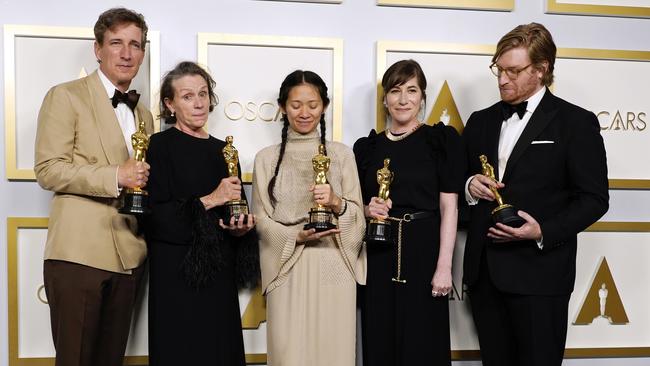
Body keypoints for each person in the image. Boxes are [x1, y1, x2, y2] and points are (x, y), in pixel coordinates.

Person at [462, 23, 609, 366]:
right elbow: (456, 184)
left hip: (541, 276)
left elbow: (594, 199)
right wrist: (470, 186)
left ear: (541, 70)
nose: (502, 80)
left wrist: (542, 230)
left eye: (513, 71)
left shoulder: (575, 123)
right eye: (499, 69)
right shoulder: (479, 121)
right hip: (485, 277)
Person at [34, 8, 152, 366]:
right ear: (97, 49)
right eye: (116, 43)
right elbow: (48, 169)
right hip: (77, 254)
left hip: (129, 256)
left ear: (143, 53)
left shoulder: (143, 114)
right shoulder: (65, 96)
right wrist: (116, 175)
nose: (126, 53)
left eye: (135, 45)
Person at [144, 61, 259, 366]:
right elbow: (154, 217)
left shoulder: (225, 150)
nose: (198, 103)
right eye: (187, 96)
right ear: (170, 104)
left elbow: (235, 206)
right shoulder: (158, 147)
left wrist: (241, 228)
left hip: (218, 274)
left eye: (203, 94)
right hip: (174, 275)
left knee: (220, 349)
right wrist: (211, 199)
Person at [353, 59, 464, 366]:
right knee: (380, 337)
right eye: (395, 90)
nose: (403, 99)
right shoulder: (366, 148)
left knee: (423, 341)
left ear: (422, 97)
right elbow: (354, 206)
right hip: (378, 251)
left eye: (412, 90)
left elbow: (449, 206)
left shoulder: (440, 141)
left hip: (424, 250)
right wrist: (366, 208)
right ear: (385, 100)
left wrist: (444, 267)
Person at [252, 70, 366, 366]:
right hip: (286, 265)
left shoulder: (342, 155)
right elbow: (261, 220)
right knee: (288, 353)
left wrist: (336, 202)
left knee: (334, 352)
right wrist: (294, 236)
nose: (304, 113)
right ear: (282, 107)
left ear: (325, 106)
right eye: (295, 105)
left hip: (334, 265)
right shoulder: (265, 158)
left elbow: (358, 218)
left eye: (313, 105)